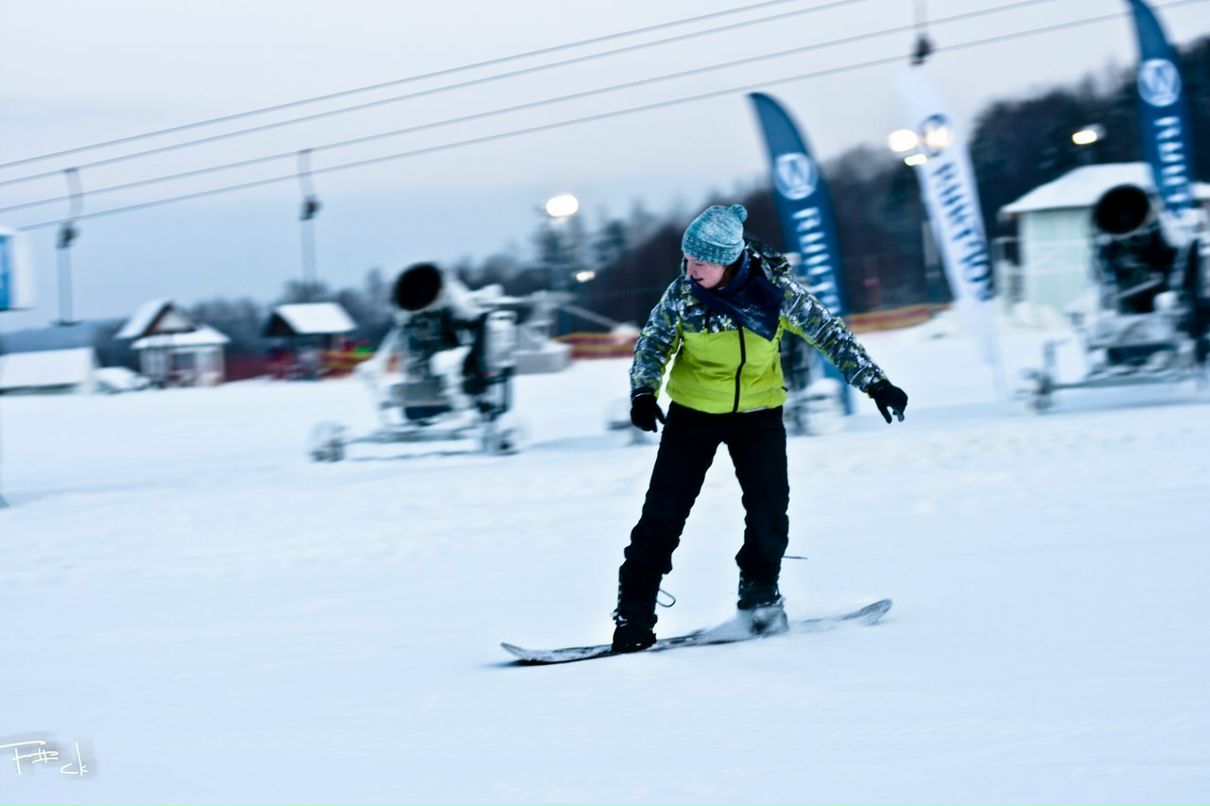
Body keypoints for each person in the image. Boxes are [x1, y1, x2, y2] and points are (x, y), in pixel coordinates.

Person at [612, 203, 908, 653]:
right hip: (693, 415)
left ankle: (760, 600)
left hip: (759, 416)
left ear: (730, 259)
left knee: (770, 513)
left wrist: (876, 383)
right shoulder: (683, 296)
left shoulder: (776, 292)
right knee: (662, 517)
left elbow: (829, 332)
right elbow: (653, 343)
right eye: (688, 259)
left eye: (702, 262)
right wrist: (642, 393)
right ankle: (633, 616)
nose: (691, 269)